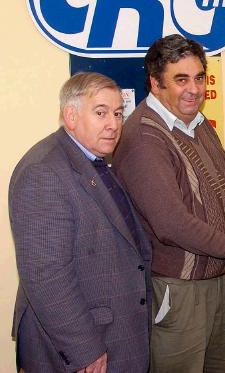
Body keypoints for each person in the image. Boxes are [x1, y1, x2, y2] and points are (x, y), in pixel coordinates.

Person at [111, 34, 225, 373]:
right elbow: (172, 224)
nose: (194, 89)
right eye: (181, 79)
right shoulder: (144, 138)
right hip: (178, 290)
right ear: (155, 83)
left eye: (199, 77)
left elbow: (211, 181)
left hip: (212, 280)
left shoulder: (195, 122)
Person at [9, 72, 152, 373]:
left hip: (115, 334)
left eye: (117, 113)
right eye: (101, 113)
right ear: (70, 116)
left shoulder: (93, 161)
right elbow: (46, 274)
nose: (113, 124)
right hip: (80, 347)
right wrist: (84, 349)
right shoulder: (44, 172)